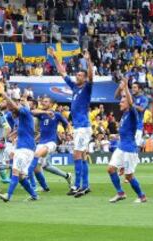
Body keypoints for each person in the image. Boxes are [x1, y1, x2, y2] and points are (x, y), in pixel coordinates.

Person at [49, 47, 93, 198]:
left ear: (84, 78)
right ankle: (85, 185)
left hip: (83, 127)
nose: (77, 76)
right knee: (82, 155)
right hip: (80, 127)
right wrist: (55, 57)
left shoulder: (87, 87)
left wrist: (88, 61)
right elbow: (62, 73)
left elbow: (92, 76)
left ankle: (77, 186)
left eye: (80, 75)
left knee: (77, 155)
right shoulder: (74, 87)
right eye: (77, 75)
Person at [107, 78, 147, 203]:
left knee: (129, 177)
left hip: (129, 149)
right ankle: (120, 193)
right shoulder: (124, 114)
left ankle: (142, 196)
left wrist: (125, 87)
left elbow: (130, 102)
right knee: (110, 169)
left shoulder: (133, 113)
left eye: (122, 102)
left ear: (128, 104)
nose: (120, 103)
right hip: (121, 147)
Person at [0, 92, 38, 202]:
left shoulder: (25, 112)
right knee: (20, 177)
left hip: (24, 149)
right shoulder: (23, 119)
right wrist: (13, 134)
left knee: (15, 172)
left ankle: (8, 196)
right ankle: (34, 195)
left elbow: (14, 106)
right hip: (24, 149)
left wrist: (6, 97)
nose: (12, 112)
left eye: (13, 111)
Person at [28, 97, 72, 192]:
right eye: (43, 101)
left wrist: (69, 132)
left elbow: (67, 124)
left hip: (51, 143)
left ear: (51, 104)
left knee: (37, 159)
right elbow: (32, 112)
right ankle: (46, 187)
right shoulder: (42, 114)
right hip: (41, 143)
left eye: (46, 101)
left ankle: (28, 174)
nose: (43, 103)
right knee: (40, 167)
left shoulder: (57, 115)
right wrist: (45, 112)